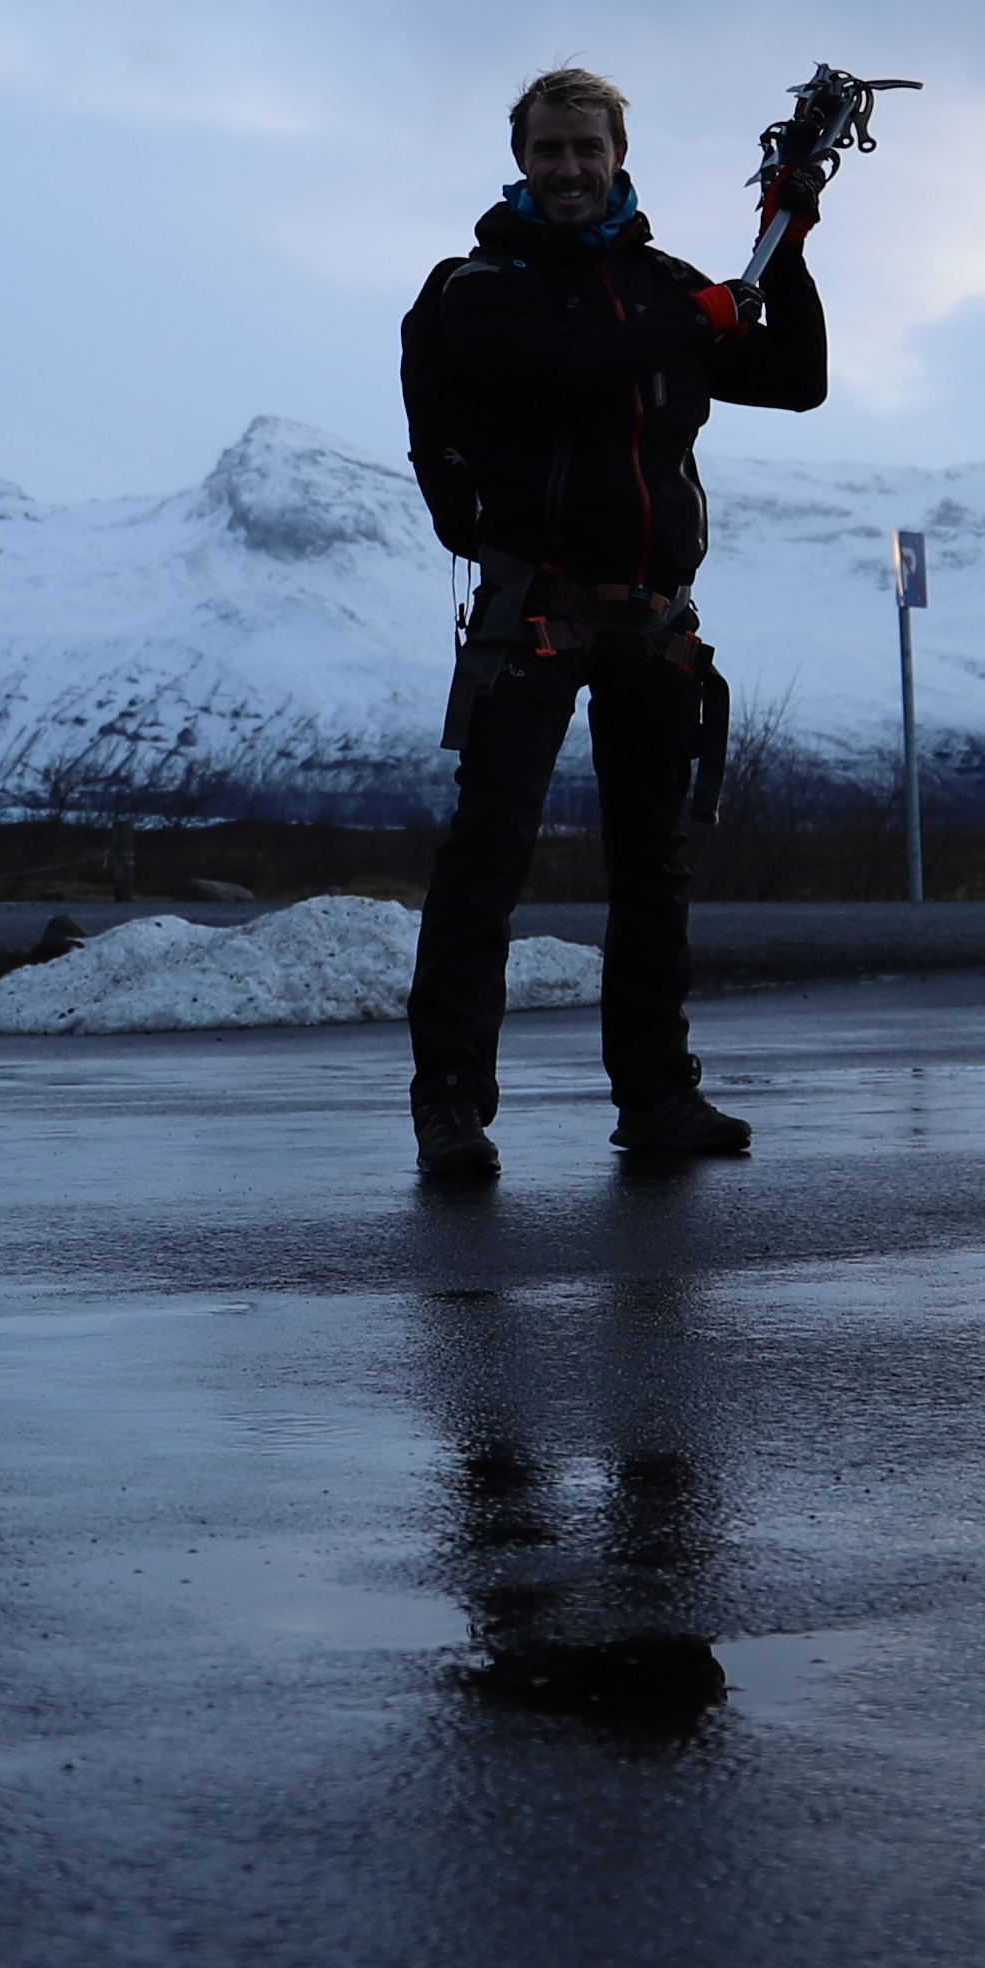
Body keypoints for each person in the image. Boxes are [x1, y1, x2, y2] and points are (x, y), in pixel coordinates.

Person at [396, 63, 826, 1180]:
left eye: (589, 148)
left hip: (657, 619)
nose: (571, 167)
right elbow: (556, 374)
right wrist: (695, 314)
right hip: (534, 608)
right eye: (551, 149)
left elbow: (795, 377)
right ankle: (450, 1102)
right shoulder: (481, 286)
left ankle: (657, 1094)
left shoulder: (661, 283)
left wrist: (794, 235)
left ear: (618, 158)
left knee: (654, 867)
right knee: (486, 859)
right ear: (522, 158)